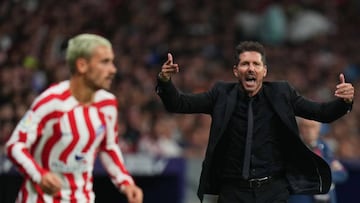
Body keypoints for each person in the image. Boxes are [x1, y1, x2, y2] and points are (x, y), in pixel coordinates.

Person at [155, 41, 354, 203]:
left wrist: (344, 102)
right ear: (235, 71)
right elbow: (179, 104)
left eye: (256, 64)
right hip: (232, 192)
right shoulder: (221, 94)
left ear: (264, 71)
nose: (251, 68)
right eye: (245, 64)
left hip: (273, 191)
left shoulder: (282, 93)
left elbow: (321, 113)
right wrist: (165, 81)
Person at [5, 33, 143, 203]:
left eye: (112, 62)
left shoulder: (108, 104)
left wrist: (126, 183)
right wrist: (39, 175)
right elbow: (15, 145)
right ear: (82, 65)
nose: (113, 70)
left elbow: (108, 146)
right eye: (105, 62)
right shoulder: (51, 102)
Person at [289, 118, 348, 203]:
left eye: (312, 127)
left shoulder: (324, 147)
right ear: (299, 128)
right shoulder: (292, 148)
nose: (309, 131)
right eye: (305, 126)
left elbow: (342, 174)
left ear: (319, 128)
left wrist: (320, 176)